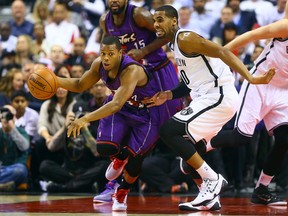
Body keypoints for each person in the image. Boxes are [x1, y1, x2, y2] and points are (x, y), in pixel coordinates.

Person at [142, 5, 275, 211]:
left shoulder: (185, 38)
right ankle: (209, 196)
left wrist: (251, 77)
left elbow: (222, 51)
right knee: (188, 159)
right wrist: (167, 95)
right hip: (205, 97)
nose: (156, 24)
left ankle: (213, 179)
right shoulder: (173, 45)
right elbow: (189, 83)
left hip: (218, 95)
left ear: (174, 21)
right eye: (154, 20)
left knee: (170, 130)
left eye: (161, 19)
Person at [56, 36, 162, 211]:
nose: (105, 58)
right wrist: (55, 81)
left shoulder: (131, 70)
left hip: (146, 113)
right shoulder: (99, 64)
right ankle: (119, 159)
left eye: (110, 54)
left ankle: (121, 193)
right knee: (104, 147)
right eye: (103, 53)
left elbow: (115, 105)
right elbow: (80, 83)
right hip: (122, 109)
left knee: (136, 158)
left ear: (120, 53)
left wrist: (85, 119)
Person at [98, 0, 181, 199]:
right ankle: (113, 186)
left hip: (159, 73)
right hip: (130, 77)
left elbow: (171, 33)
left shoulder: (140, 15)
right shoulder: (105, 21)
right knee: (120, 130)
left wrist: (144, 51)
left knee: (168, 130)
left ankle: (203, 181)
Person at [208, 0, 288, 206]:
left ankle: (261, 189)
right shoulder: (284, 27)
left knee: (285, 139)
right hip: (259, 82)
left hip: (283, 91)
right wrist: (222, 51)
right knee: (240, 137)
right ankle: (197, 146)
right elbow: (251, 35)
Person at [0, 105, 29, 191]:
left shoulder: (21, 131)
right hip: (1, 168)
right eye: (3, 115)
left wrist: (12, 129)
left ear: (14, 117)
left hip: (15, 168)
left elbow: (24, 147)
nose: (6, 118)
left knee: (20, 171)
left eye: (9, 115)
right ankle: (4, 185)